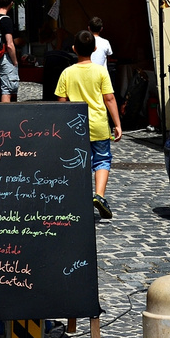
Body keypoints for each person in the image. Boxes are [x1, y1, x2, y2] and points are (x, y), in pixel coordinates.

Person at [55, 28, 122, 219]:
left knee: (78, 161)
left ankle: (77, 198)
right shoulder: (101, 71)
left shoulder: (67, 73)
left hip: (76, 127)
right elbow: (109, 98)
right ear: (94, 48)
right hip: (99, 124)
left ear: (74, 49)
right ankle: (99, 196)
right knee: (102, 160)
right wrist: (117, 124)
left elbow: (61, 102)